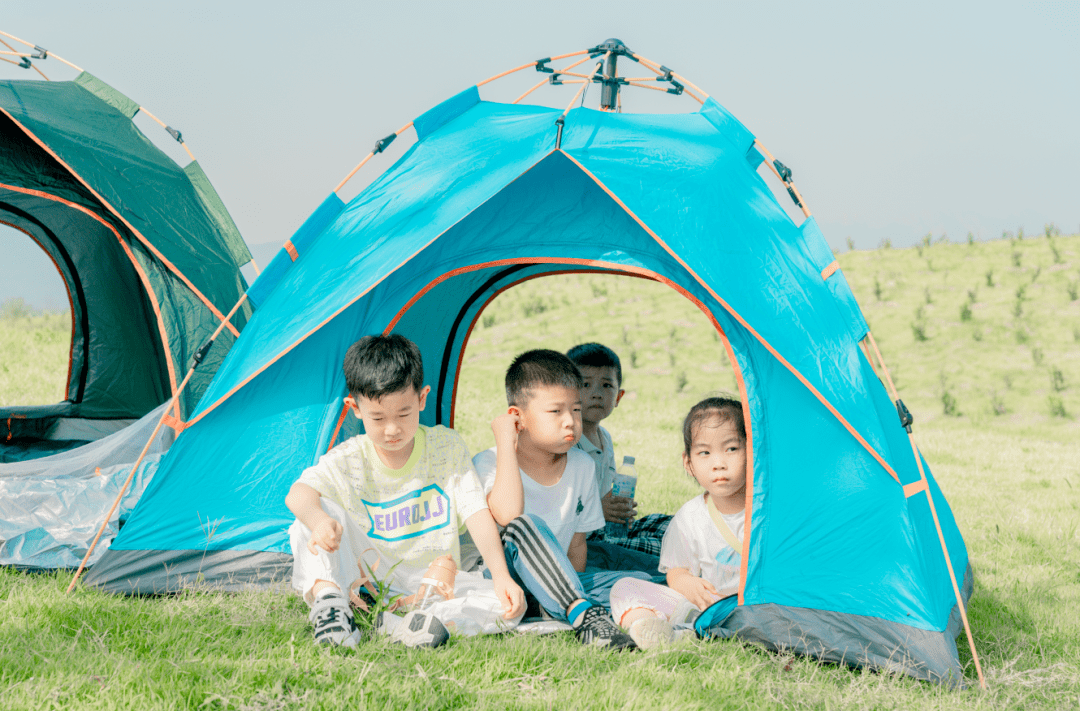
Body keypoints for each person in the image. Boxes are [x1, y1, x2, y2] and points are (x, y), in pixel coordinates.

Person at [285, 334, 525, 648]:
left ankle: (390, 623)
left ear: (422, 399)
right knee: (309, 519)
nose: (392, 429)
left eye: (403, 414)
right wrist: (319, 522)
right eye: (378, 418)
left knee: (507, 607)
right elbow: (298, 494)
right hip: (374, 581)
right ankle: (332, 608)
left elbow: (476, 513)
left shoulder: (446, 446)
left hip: (438, 585)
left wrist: (501, 576)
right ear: (355, 408)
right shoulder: (350, 458)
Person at [472, 349, 647, 650]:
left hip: (558, 583)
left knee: (638, 581)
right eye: (556, 412)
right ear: (517, 417)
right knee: (524, 525)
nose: (570, 422)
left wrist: (568, 586)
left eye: (576, 410)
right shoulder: (489, 462)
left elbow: (577, 546)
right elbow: (509, 514)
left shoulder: (582, 466)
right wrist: (505, 441)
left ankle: (557, 607)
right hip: (503, 585)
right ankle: (584, 614)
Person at [608, 396, 747, 649]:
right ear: (688, 463)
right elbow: (676, 571)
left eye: (731, 449)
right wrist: (687, 584)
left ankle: (689, 632)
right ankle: (646, 627)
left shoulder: (767, 511)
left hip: (760, 607)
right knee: (624, 587)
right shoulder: (690, 516)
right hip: (706, 608)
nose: (718, 464)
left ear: (753, 452)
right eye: (704, 453)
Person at [566, 343, 670, 565]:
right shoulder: (566, 444)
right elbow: (560, 507)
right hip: (581, 539)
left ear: (618, 397)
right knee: (663, 549)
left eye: (606, 385)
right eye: (585, 384)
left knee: (670, 525)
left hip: (607, 529)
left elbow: (605, 494)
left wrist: (618, 511)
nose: (596, 394)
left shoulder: (605, 438)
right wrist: (598, 510)